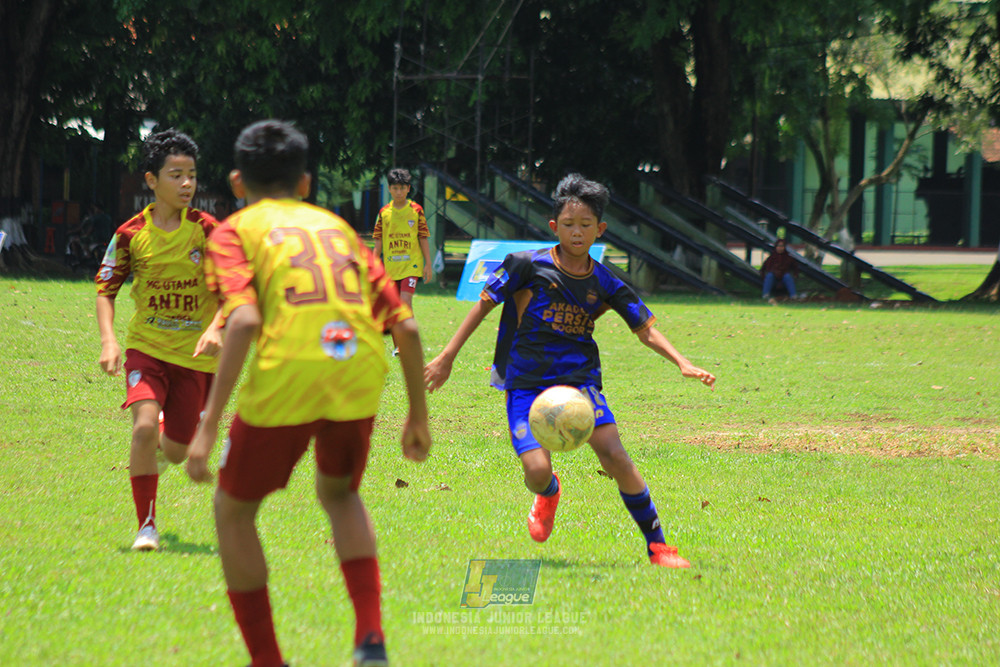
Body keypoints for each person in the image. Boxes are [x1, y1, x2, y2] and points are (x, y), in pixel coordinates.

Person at [186, 120, 432, 667]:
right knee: (340, 494)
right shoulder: (339, 229)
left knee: (233, 510)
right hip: (357, 366)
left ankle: (268, 660)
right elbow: (407, 329)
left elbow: (244, 320)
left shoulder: (233, 231)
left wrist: (207, 426)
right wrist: (418, 414)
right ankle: (370, 639)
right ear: (305, 183)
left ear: (237, 183)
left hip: (289, 368)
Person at [424, 173, 716, 568]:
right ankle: (548, 493)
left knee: (616, 457)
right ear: (553, 227)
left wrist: (682, 362)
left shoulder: (605, 281)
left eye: (585, 225)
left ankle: (659, 546)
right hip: (526, 384)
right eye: (568, 225)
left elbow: (645, 330)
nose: (576, 232)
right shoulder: (526, 265)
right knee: (536, 469)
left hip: (580, 385)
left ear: (600, 229)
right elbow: (483, 305)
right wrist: (446, 357)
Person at [95, 129, 223, 552]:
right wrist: (109, 341)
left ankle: (165, 441)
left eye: (191, 175)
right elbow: (106, 289)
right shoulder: (131, 234)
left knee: (179, 447)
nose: (187, 184)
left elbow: (236, 288)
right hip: (146, 350)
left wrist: (215, 325)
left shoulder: (208, 231)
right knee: (143, 428)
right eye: (176, 175)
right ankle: (146, 526)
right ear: (152, 180)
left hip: (196, 358)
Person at [372, 167, 433, 311]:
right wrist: (373, 266)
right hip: (391, 267)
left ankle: (409, 334)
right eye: (395, 188)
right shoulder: (383, 213)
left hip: (411, 266)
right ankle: (399, 334)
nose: (399, 192)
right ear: (389, 189)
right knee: (394, 308)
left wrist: (428, 264)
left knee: (405, 303)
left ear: (408, 189)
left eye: (402, 188)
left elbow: (423, 237)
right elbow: (378, 242)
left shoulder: (416, 210)